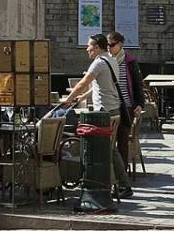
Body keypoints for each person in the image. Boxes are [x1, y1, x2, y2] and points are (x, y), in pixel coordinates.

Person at [58, 33, 133, 198]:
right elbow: (100, 85)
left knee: (96, 147)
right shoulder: (111, 60)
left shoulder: (98, 63)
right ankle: (120, 184)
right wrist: (83, 98)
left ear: (97, 47)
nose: (87, 49)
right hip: (114, 110)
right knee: (110, 150)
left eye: (89, 46)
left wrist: (68, 100)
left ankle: (111, 184)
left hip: (103, 113)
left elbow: (83, 83)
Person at [106, 31, 144, 171]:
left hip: (126, 106)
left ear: (120, 44)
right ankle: (110, 171)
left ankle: (122, 172)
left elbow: (137, 84)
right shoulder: (106, 61)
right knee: (108, 141)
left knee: (122, 140)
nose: (109, 47)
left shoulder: (130, 60)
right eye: (107, 45)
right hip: (110, 106)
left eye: (111, 45)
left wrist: (140, 104)